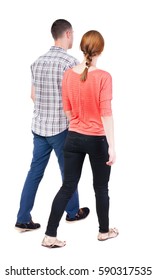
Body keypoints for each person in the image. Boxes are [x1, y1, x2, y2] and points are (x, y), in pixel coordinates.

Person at [42, 30, 119, 248]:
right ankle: (104, 232)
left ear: (81, 48)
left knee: (67, 187)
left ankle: (49, 236)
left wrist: (77, 123)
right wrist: (112, 146)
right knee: (101, 189)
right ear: (100, 50)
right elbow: (106, 113)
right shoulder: (104, 77)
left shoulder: (68, 74)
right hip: (96, 140)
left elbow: (67, 110)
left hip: (73, 138)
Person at [15, 19, 90, 232]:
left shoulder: (36, 62)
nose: (73, 37)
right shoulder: (70, 63)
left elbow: (33, 96)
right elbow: (78, 99)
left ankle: (22, 218)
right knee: (69, 173)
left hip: (39, 127)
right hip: (60, 129)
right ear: (67, 33)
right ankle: (73, 212)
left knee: (34, 172)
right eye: (73, 34)